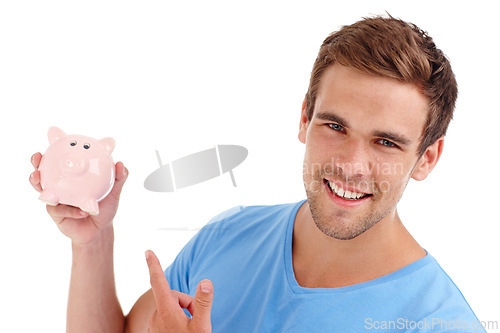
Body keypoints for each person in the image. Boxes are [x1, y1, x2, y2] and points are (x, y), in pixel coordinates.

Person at [30, 15, 485, 333]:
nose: (350, 164)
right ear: (304, 119)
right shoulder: (229, 235)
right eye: (335, 125)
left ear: (427, 158)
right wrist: (92, 242)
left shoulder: (439, 323)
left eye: (386, 142)